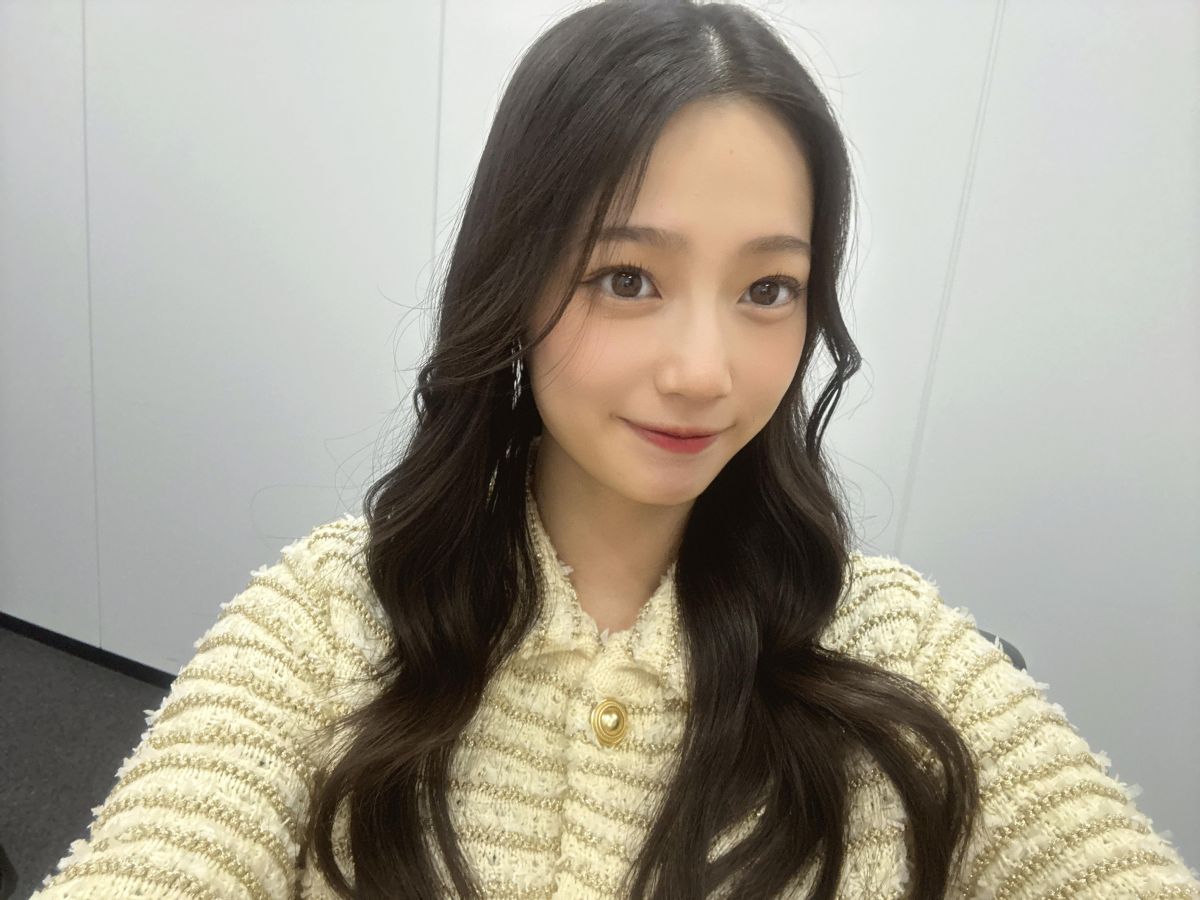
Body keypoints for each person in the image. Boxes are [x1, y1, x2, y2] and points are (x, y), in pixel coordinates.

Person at [32, 1, 1200, 898]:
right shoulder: (322, 628)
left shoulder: (899, 651)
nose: (704, 369)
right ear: (513, 280)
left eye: (768, 289)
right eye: (628, 278)